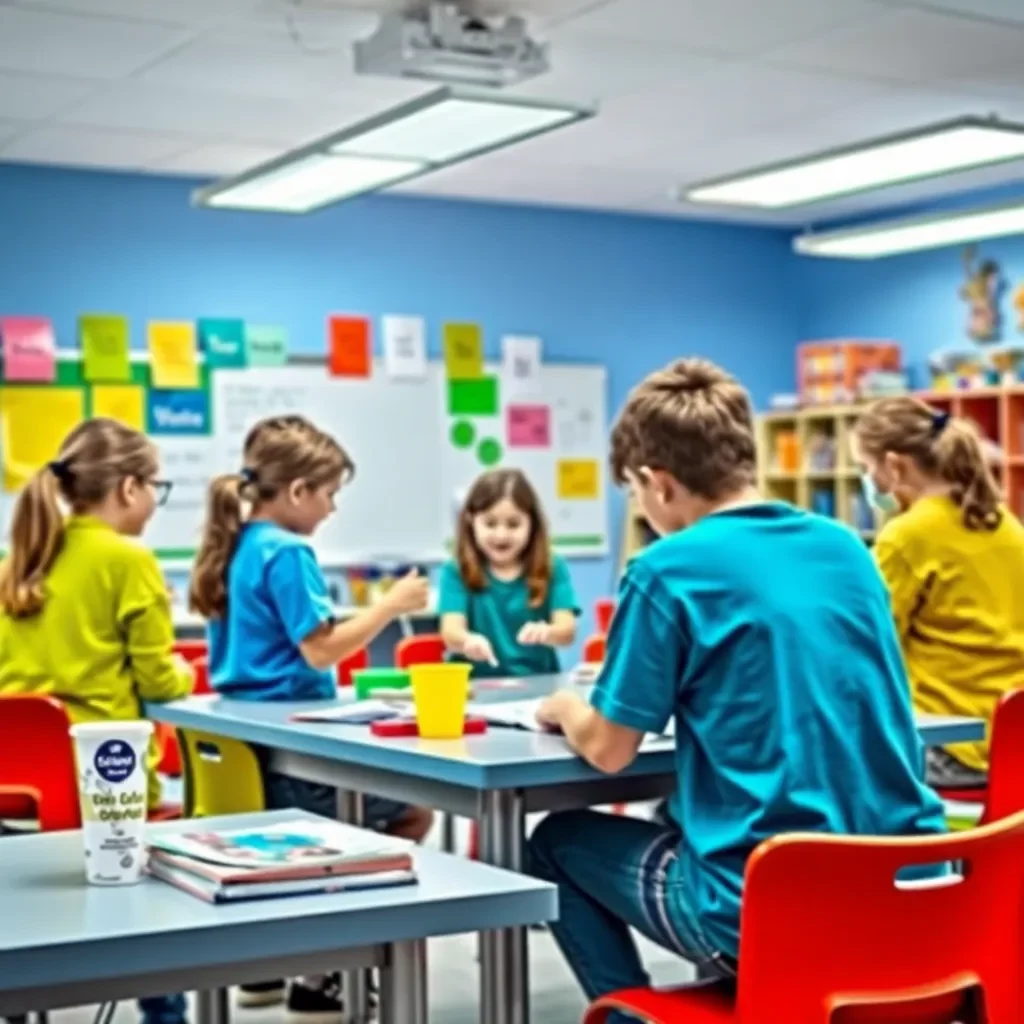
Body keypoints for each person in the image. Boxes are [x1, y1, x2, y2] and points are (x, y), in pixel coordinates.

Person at [528, 359, 946, 1017]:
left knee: (556, 841)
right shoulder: (847, 548)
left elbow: (610, 750)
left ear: (657, 483)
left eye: (635, 494)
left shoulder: (665, 569)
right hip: (916, 900)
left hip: (771, 914)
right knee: (677, 818)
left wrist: (566, 708)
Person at [189, 414, 433, 1021]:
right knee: (412, 811)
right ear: (298, 491)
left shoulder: (237, 543)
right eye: (328, 494)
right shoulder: (289, 550)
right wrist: (391, 606)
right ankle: (322, 973)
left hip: (246, 746)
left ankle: (267, 968)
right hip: (295, 754)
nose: (331, 509)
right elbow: (320, 648)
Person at [0, 418, 193, 1024]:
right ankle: (163, 1011)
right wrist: (188, 676)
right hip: (104, 781)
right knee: (157, 894)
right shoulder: (128, 560)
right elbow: (160, 680)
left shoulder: (21, 558)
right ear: (129, 488)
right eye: (156, 490)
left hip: (15, 784)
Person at [852, 397, 1024, 789]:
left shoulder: (907, 535)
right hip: (1013, 741)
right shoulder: (1005, 524)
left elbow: (871, 642)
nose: (868, 482)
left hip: (954, 747)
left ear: (894, 465)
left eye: (866, 468)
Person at [439, 468, 578, 677]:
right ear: (470, 521)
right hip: (474, 688)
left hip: (537, 685)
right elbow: (451, 632)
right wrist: (467, 640)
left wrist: (547, 632)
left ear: (532, 524)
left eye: (514, 524)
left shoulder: (553, 566)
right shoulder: (456, 569)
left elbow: (567, 631)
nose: (501, 535)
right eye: (490, 523)